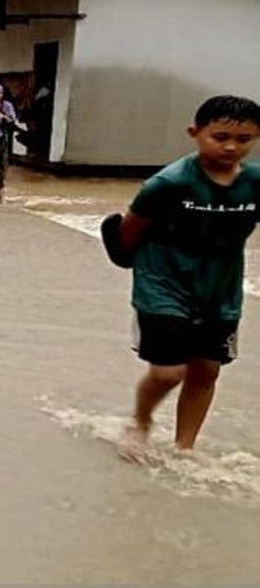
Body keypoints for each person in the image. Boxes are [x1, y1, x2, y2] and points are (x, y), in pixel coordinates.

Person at [103, 96, 260, 461]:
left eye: (244, 139)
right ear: (195, 133)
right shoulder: (168, 184)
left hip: (221, 291)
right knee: (168, 373)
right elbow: (128, 233)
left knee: (206, 370)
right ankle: (141, 422)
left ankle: (184, 448)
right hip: (162, 287)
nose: (231, 146)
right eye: (220, 137)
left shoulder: (254, 183)